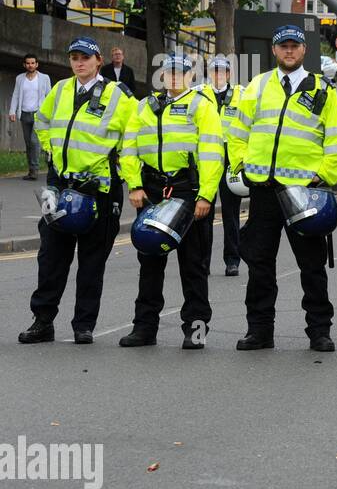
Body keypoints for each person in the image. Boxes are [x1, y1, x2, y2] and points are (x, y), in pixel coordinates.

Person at [225, 24, 337, 352]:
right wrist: (241, 166)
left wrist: (322, 176)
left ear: (304, 50)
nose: (289, 51)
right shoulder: (258, 85)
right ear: (275, 51)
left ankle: (319, 332)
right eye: (284, 47)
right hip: (264, 190)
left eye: (295, 46)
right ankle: (260, 330)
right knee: (259, 263)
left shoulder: (322, 90)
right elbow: (238, 130)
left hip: (303, 193)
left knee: (311, 265)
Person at [20, 37, 133, 344]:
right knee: (50, 258)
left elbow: (134, 136)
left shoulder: (118, 95)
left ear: (99, 60)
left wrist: (120, 169)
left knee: (92, 262)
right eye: (74, 57)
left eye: (85, 57)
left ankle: (83, 325)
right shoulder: (60, 90)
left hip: (99, 188)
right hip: (59, 183)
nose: (79, 62)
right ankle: (43, 321)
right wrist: (51, 152)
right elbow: (41, 122)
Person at [117, 55, 223, 349]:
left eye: (181, 72)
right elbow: (129, 148)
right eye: (169, 72)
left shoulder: (201, 105)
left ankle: (196, 330)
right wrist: (134, 185)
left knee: (193, 266)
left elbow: (213, 153)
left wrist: (206, 195)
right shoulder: (145, 106)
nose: (175, 77)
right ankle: (144, 328)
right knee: (149, 263)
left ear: (191, 75)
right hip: (151, 191)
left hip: (188, 192)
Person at [204, 55, 243, 276]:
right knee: (204, 213)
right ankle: (203, 262)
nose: (218, 74)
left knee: (231, 213)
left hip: (231, 160)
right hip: (208, 158)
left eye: (222, 71)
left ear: (228, 74)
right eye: (214, 70)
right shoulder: (201, 94)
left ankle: (232, 260)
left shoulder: (240, 94)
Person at [9, 54, 52, 179]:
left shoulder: (44, 78)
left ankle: (35, 170)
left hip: (38, 114)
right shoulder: (20, 78)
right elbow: (16, 95)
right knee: (28, 143)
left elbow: (50, 96)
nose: (30, 65)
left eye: (33, 63)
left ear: (37, 64)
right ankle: (31, 169)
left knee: (34, 142)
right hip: (24, 114)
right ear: (24, 65)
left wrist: (49, 113)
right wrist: (12, 111)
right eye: (28, 63)